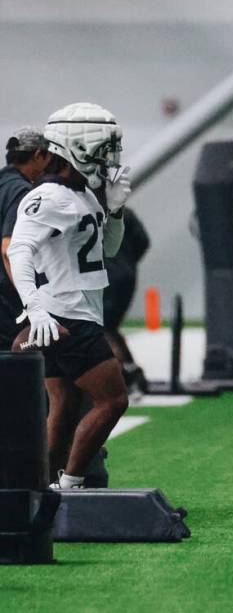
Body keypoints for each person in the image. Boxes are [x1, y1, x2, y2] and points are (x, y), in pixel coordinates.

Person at [7, 102, 132, 489]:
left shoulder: (83, 194)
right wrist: (34, 308)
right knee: (113, 401)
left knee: (64, 405)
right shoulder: (48, 196)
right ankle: (72, 483)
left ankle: (41, 489)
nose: (108, 157)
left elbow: (108, 250)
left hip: (78, 312)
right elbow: (18, 249)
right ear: (74, 146)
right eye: (102, 147)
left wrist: (116, 211)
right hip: (66, 314)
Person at [0, 127, 50, 350]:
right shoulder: (21, 192)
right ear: (38, 155)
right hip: (7, 302)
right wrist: (31, 302)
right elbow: (8, 249)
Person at [103, 208, 150, 398]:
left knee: (102, 327)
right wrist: (128, 261)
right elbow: (143, 242)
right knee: (110, 327)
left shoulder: (88, 207)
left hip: (106, 275)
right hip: (126, 274)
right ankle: (131, 371)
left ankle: (125, 377)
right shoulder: (125, 212)